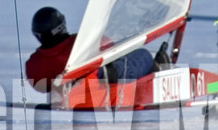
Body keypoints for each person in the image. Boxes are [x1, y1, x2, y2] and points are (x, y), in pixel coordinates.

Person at [23, 6, 171, 92]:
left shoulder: (34, 63)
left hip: (70, 89)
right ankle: (157, 68)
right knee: (143, 54)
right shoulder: (80, 42)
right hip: (104, 81)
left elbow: (40, 87)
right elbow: (109, 45)